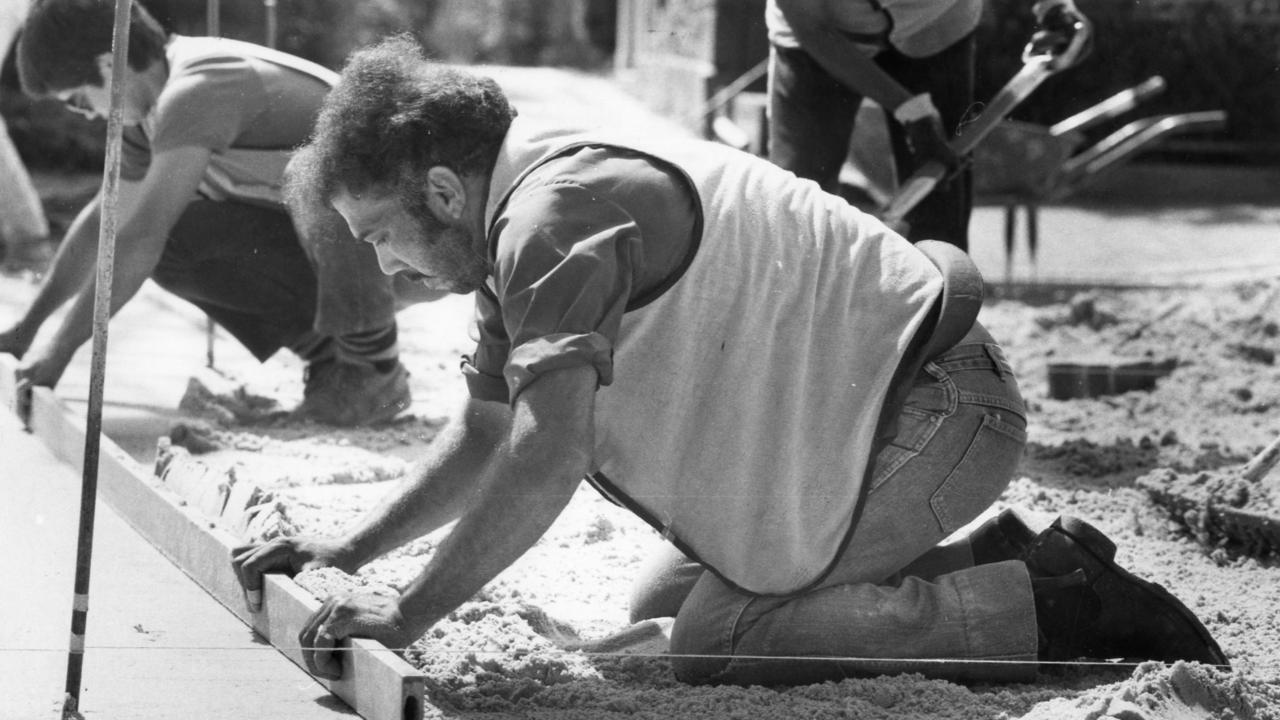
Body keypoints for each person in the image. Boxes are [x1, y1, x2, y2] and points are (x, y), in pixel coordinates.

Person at [231, 36, 1227, 685]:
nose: (385, 268)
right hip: (887, 414)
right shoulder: (515, 209)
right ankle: (997, 557)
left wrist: (405, 610)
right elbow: (486, 431)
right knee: (661, 605)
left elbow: (547, 453)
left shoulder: (547, 221)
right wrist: (342, 560)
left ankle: (1056, 604)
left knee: (722, 639)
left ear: (442, 192)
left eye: (376, 234)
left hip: (937, 413)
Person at [0, 0, 424, 426]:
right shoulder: (145, 115)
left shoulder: (198, 86)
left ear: (109, 64)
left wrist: (60, 354)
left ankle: (373, 370)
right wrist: (27, 330)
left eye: (77, 100)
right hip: (348, 256)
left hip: (411, 244)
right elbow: (103, 224)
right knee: (177, 243)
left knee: (302, 177)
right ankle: (334, 360)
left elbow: (139, 236)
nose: (88, 114)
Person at [765, 0, 979, 250]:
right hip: (820, 33)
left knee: (940, 202)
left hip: (933, 19)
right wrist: (910, 110)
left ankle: (936, 282)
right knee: (799, 203)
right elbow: (812, 28)